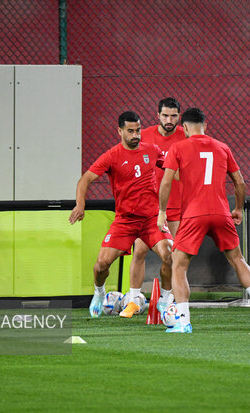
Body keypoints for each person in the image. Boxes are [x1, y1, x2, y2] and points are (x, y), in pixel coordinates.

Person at [158, 107, 250, 333]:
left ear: (183, 127)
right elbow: (240, 183)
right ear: (206, 126)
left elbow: (166, 182)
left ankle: (183, 321)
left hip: (194, 214)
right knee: (237, 259)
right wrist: (239, 209)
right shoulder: (222, 147)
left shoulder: (178, 147)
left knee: (179, 265)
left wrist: (162, 212)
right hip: (222, 212)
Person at [69, 111, 173, 318]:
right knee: (101, 265)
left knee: (170, 255)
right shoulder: (112, 155)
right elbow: (85, 180)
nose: (136, 135)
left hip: (151, 219)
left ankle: (165, 300)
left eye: (138, 130)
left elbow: (173, 168)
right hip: (125, 221)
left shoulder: (151, 150)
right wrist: (80, 205)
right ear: (120, 131)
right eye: (130, 131)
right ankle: (99, 293)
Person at [128, 97, 187, 315]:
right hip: (148, 208)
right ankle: (133, 299)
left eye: (173, 116)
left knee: (171, 257)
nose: (169, 120)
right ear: (157, 115)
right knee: (139, 251)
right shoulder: (144, 136)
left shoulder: (186, 137)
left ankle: (165, 298)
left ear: (179, 117)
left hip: (176, 208)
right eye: (165, 115)